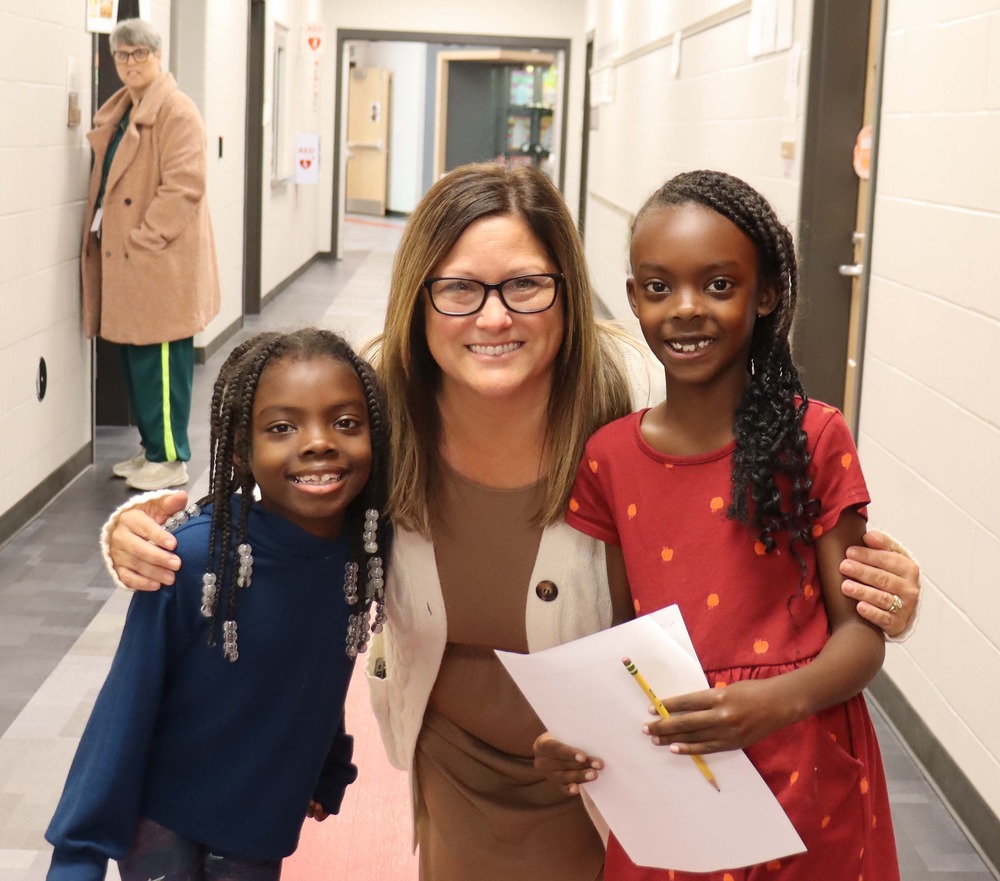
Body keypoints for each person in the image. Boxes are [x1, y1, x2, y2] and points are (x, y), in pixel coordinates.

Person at [101, 164, 920, 880]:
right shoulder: (376, 408)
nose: (494, 317)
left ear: (567, 291)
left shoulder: (639, 399)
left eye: (525, 285)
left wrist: (887, 592)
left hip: (627, 775)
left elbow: (783, 546)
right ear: (420, 296)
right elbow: (270, 514)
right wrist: (138, 532)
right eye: (460, 288)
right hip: (456, 770)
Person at [536, 170, 900, 880]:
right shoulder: (609, 457)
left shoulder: (813, 438)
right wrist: (580, 735)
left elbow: (861, 639)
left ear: (765, 295)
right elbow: (623, 643)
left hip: (805, 770)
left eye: (719, 285)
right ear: (633, 296)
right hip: (678, 773)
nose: (686, 308)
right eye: (658, 286)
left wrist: (776, 701)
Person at [46, 329, 390, 881]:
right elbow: (123, 711)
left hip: (261, 821)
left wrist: (329, 764)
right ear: (239, 449)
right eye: (282, 427)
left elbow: (319, 664)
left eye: (346, 423)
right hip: (163, 822)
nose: (318, 442)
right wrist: (77, 858)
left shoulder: (366, 551)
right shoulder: (193, 560)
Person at [83, 18, 220, 491]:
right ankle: (152, 448)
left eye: (139, 53)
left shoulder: (177, 111)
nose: (130, 63)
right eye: (122, 55)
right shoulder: (125, 109)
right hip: (130, 262)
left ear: (158, 56)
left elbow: (184, 187)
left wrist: (146, 238)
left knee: (160, 363)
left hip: (159, 263)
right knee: (136, 362)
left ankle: (171, 457)